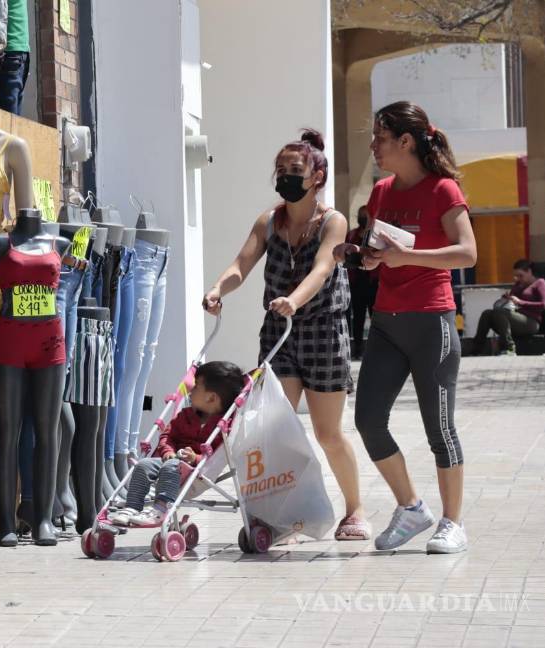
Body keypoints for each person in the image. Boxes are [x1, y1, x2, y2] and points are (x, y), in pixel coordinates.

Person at [203, 129, 370, 541]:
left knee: (328, 433)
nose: (286, 176)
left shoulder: (333, 221)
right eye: (280, 170)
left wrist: (294, 300)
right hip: (279, 333)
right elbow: (241, 264)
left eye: (295, 170)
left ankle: (355, 511)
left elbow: (322, 269)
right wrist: (217, 289)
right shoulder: (269, 220)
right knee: (275, 430)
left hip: (323, 332)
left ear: (317, 176)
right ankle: (282, 518)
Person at [334, 101, 477, 554]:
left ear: (405, 142)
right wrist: (359, 255)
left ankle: (453, 523)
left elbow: (467, 253)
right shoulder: (382, 193)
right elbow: (379, 251)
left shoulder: (443, 191)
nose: (373, 146)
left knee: (440, 429)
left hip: (431, 322)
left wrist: (408, 257)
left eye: (379, 138)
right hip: (386, 323)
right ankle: (412, 507)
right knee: (368, 419)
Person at [109, 361, 245, 527]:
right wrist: (167, 450)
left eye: (195, 388)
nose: (190, 391)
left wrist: (195, 457)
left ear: (211, 398)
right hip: (171, 461)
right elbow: (168, 435)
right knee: (143, 465)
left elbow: (217, 455)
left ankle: (160, 508)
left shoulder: (223, 428)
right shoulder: (185, 416)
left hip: (196, 472)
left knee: (172, 466)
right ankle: (132, 507)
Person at [473, 259, 545, 356]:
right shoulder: (518, 285)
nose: (518, 278)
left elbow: (543, 305)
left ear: (529, 272)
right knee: (487, 313)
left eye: (521, 275)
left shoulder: (540, 283)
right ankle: (476, 349)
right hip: (513, 318)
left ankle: (509, 347)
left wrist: (521, 302)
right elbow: (511, 298)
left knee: (500, 313)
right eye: (516, 276)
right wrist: (507, 298)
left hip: (531, 322)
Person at [346, 206, 379, 359]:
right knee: (357, 318)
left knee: (376, 318)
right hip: (356, 282)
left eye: (365, 215)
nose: (362, 218)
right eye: (360, 215)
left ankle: (375, 349)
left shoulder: (375, 236)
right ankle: (357, 349)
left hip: (373, 282)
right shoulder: (352, 234)